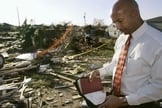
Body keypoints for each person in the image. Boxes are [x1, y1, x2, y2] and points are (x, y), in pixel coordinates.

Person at [89, 0, 162, 108]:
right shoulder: (122, 38)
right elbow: (117, 64)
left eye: (120, 21)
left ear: (134, 13)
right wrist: (100, 72)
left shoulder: (158, 42)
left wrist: (124, 101)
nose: (117, 27)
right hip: (115, 98)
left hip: (141, 104)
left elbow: (159, 86)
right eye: (114, 22)